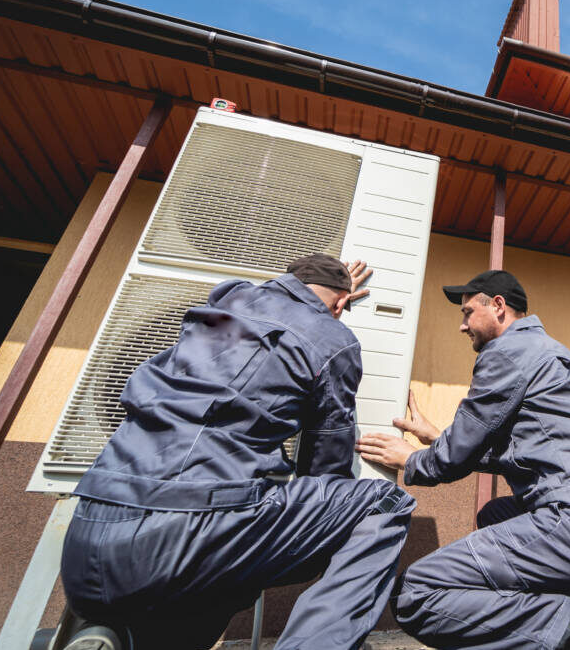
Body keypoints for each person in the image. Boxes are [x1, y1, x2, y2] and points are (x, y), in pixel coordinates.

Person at [60, 254, 416, 650]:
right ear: (338, 306)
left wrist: (326, 291)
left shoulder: (222, 306)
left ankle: (118, 637)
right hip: (186, 531)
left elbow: (270, 304)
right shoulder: (333, 338)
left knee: (220, 579)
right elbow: (325, 464)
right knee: (384, 502)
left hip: (87, 537)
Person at [357, 269, 570, 650]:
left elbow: (450, 460)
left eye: (466, 313)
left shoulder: (508, 352)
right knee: (493, 515)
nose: (462, 326)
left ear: (497, 306)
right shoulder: (553, 354)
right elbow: (522, 450)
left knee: (416, 592)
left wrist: (412, 460)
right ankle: (557, 622)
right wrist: (437, 438)